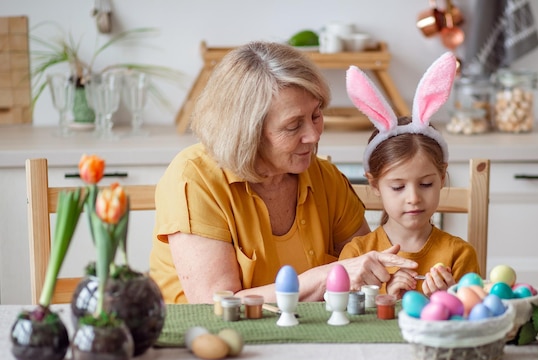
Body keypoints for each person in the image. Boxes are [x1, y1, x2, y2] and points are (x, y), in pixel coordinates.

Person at [149, 41, 418, 304]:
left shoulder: (325, 178)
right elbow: (215, 304)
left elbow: (366, 268)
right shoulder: (194, 178)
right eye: (293, 126)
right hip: (208, 342)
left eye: (316, 115)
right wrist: (325, 278)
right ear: (247, 133)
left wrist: (393, 281)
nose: (313, 136)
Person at [339, 52, 480, 299]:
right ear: (374, 184)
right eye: (397, 187)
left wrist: (450, 298)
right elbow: (347, 323)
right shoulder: (357, 255)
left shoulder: (460, 254)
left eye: (426, 184)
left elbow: (473, 315)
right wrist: (388, 297)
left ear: (442, 176)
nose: (413, 198)